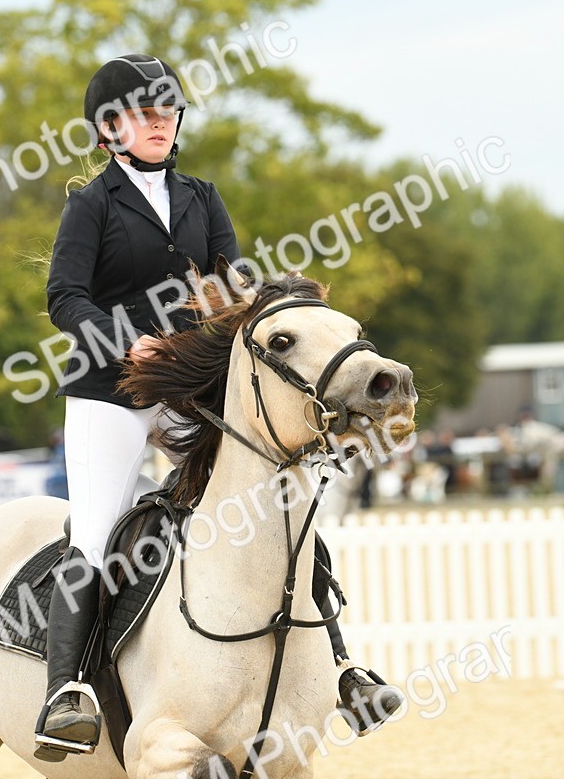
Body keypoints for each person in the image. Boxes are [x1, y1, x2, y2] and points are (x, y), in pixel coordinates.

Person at [35, 54, 400, 760]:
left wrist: (276, 292)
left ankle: (342, 666)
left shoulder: (201, 195)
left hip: (184, 387)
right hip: (109, 394)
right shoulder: (92, 204)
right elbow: (64, 297)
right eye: (146, 112)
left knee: (276, 501)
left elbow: (232, 286)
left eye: (169, 111)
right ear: (110, 128)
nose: (162, 122)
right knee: (95, 530)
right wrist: (126, 342)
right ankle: (68, 690)